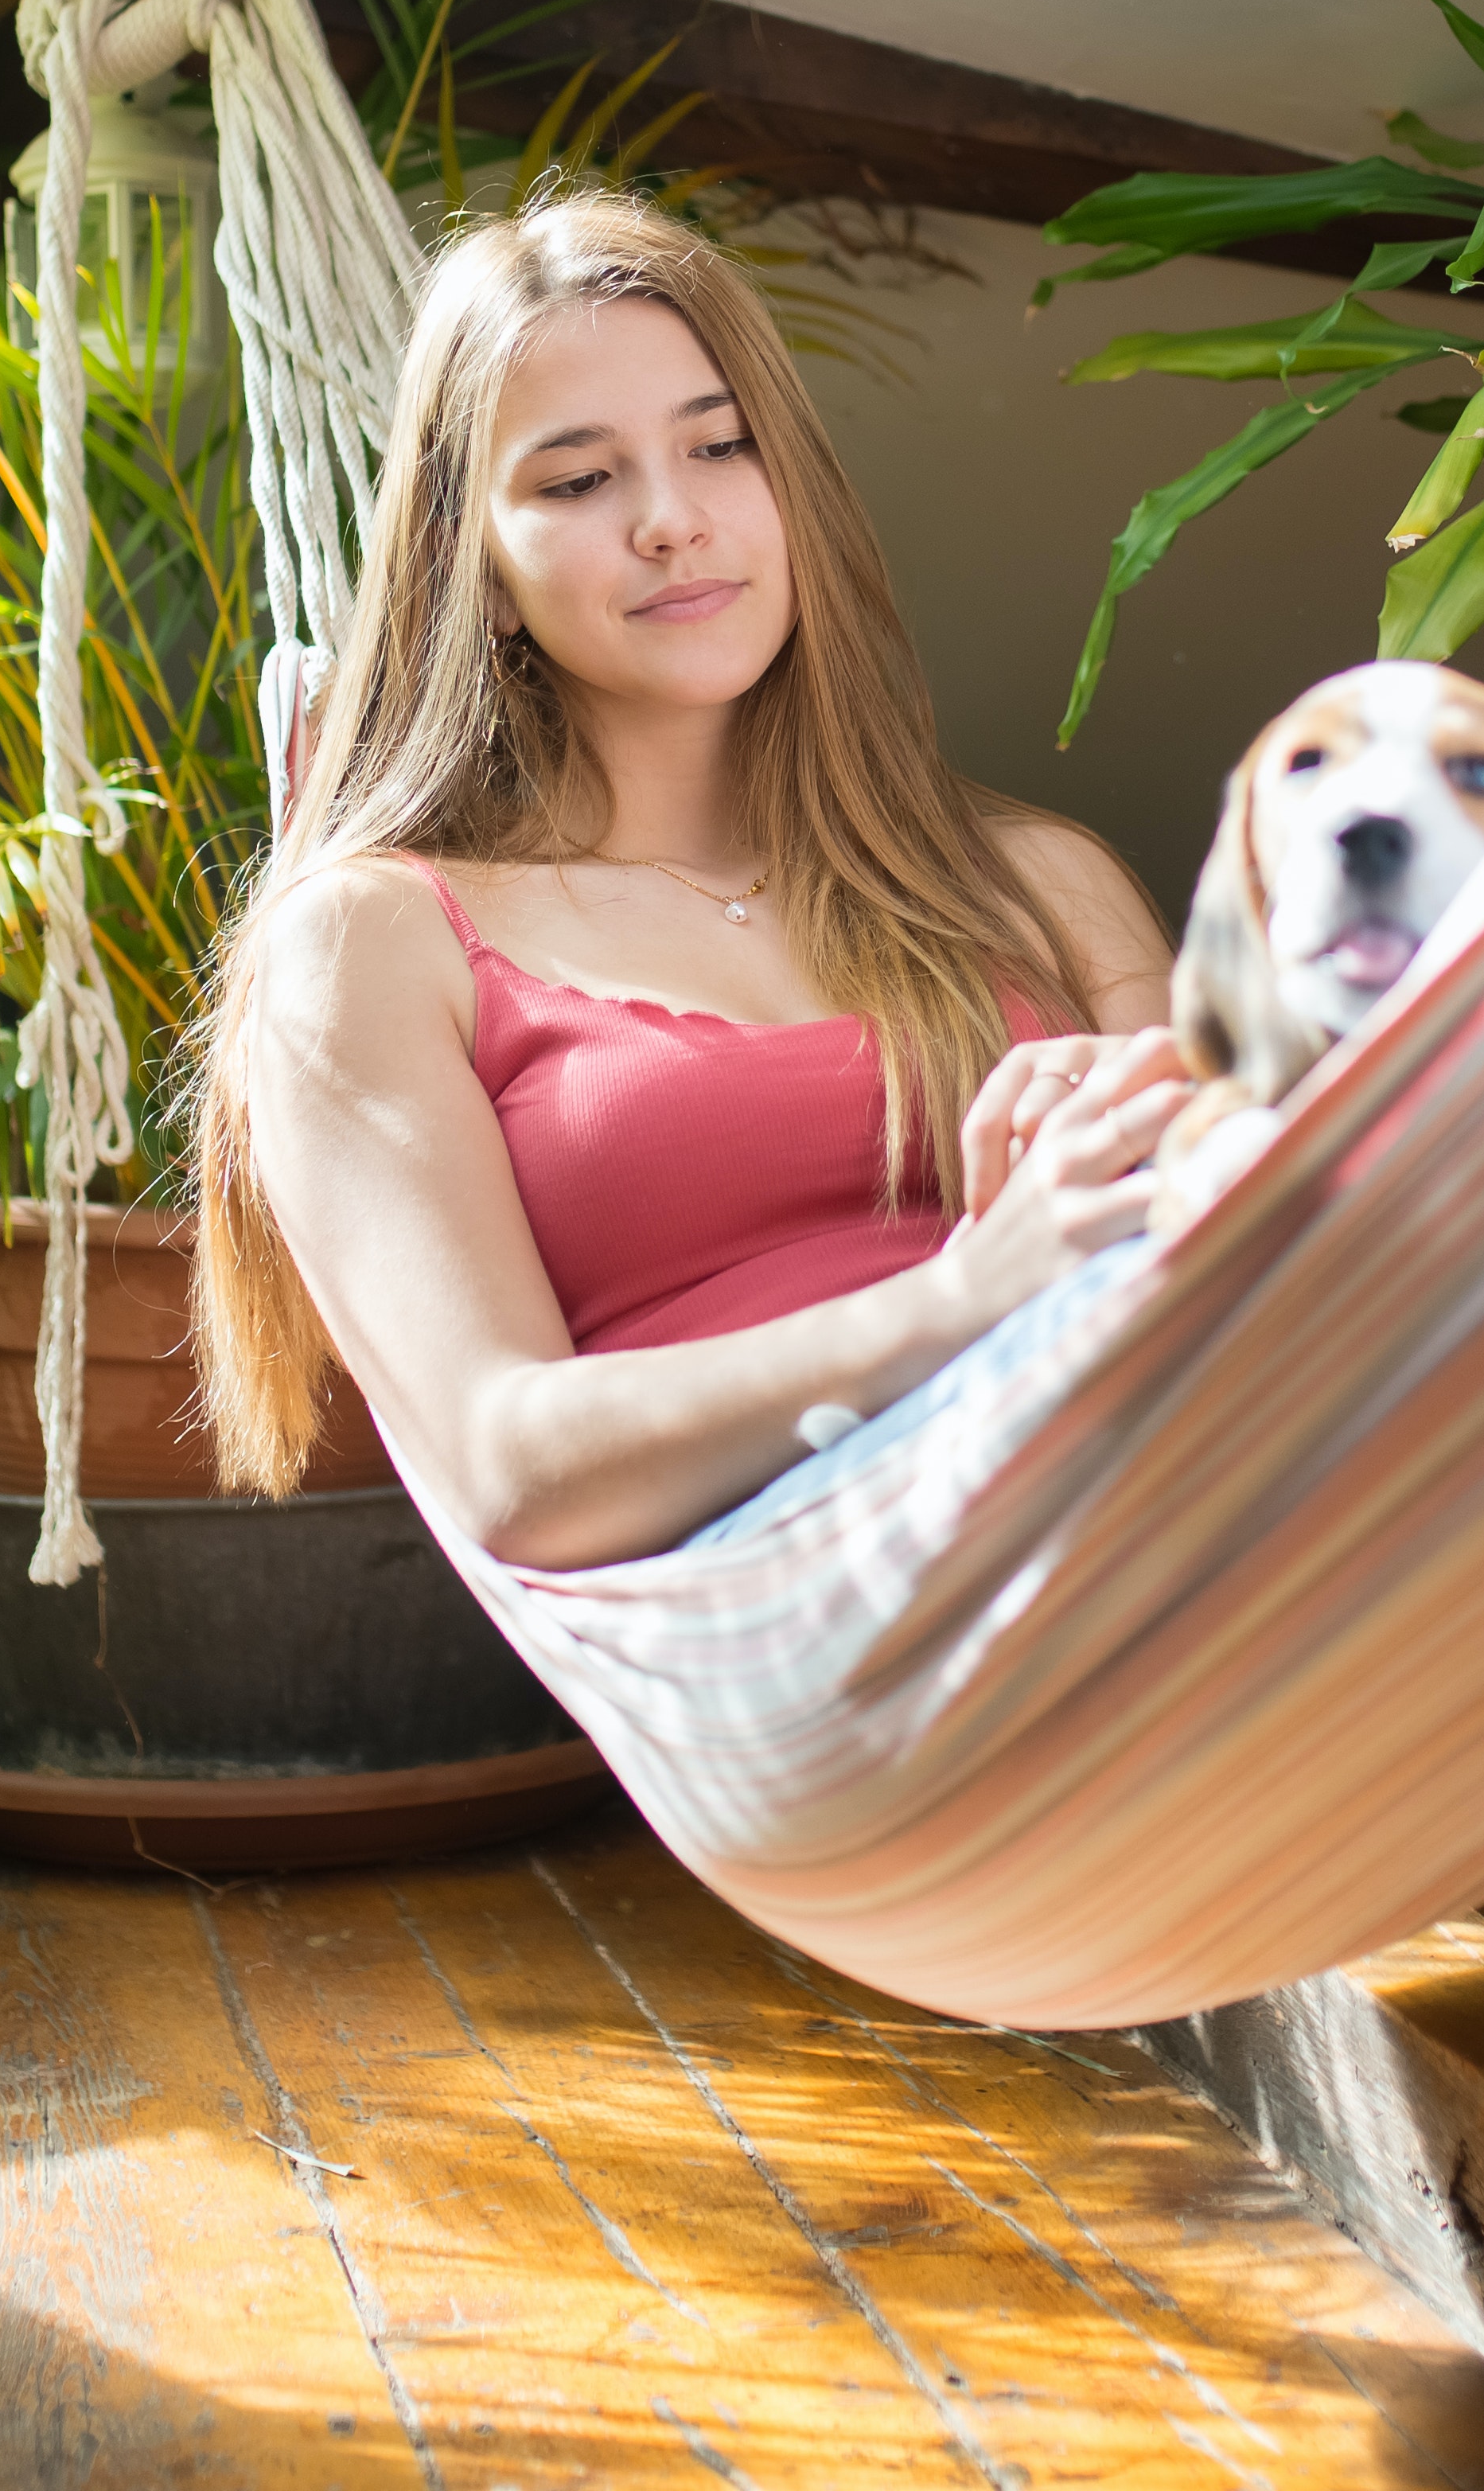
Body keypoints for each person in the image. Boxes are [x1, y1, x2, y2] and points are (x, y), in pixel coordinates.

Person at [190, 192, 1187, 1569]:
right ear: (476, 571)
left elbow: (1238, 1245)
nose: (672, 520)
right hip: (827, 1634)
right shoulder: (374, 942)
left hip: (1181, 1499)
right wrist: (968, 1298)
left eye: (720, 446)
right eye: (578, 480)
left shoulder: (1039, 886)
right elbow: (508, 1465)